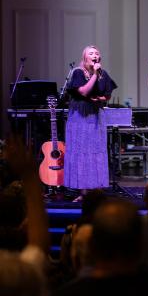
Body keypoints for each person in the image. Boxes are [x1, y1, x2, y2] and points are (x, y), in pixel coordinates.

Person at [65, 46, 117, 197]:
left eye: (97, 53)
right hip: (80, 116)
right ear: (85, 58)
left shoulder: (103, 74)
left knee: (96, 152)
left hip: (96, 116)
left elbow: (107, 95)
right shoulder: (78, 72)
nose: (95, 55)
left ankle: (96, 190)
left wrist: (101, 98)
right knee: (81, 152)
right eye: (91, 54)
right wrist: (95, 74)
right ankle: (83, 191)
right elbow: (83, 91)